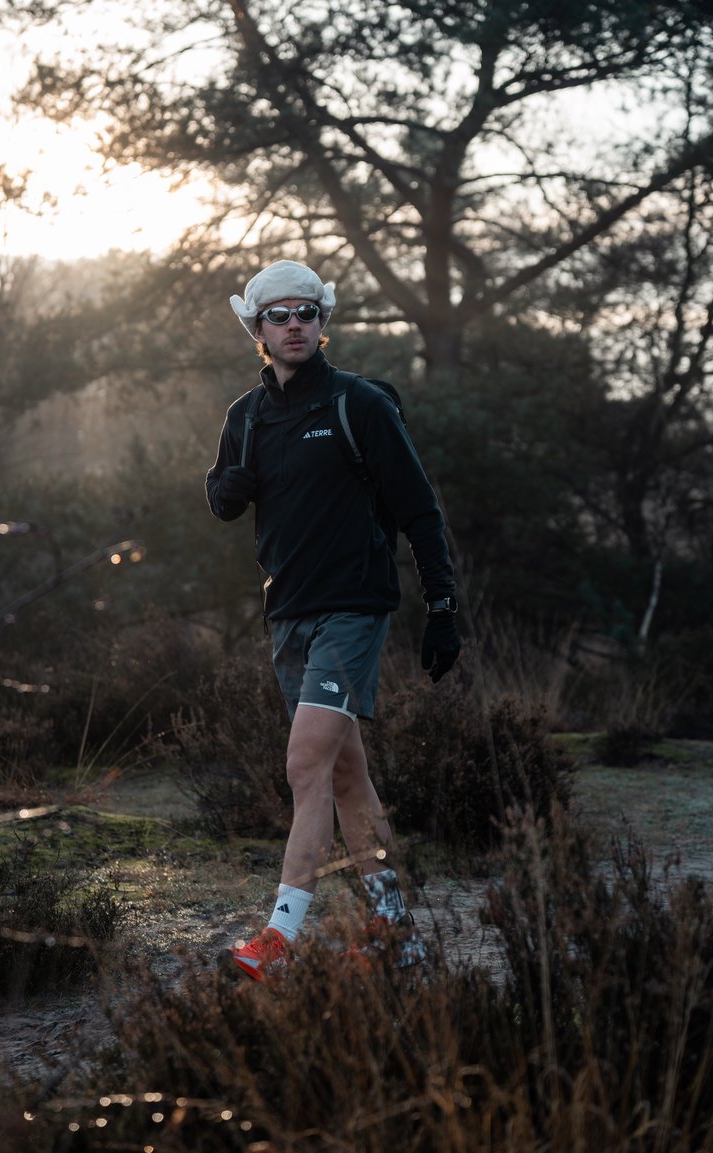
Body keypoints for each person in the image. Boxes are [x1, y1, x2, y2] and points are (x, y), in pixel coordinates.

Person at [205, 259, 460, 981]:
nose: (295, 326)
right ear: (256, 329)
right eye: (279, 316)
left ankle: (278, 941)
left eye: (306, 314)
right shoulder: (246, 416)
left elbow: (419, 509)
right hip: (287, 610)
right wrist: (232, 480)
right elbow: (222, 500)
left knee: (304, 762)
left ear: (323, 324)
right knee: (347, 778)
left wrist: (442, 605)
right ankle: (397, 933)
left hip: (355, 607)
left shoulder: (359, 405)